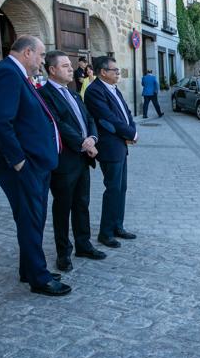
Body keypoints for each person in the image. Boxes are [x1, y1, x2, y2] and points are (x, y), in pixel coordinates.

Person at [0, 36, 70, 295]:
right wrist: (19, 161)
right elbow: (0, 121)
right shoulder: (7, 74)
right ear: (28, 52)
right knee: (31, 218)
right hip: (21, 164)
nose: (43, 61)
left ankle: (29, 268)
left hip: (33, 161)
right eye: (42, 56)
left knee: (31, 217)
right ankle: (39, 278)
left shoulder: (16, 73)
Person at [39, 51, 107, 273]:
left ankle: (83, 245)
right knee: (63, 207)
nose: (72, 69)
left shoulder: (75, 94)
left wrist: (93, 137)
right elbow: (58, 124)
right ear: (52, 70)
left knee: (82, 203)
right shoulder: (45, 94)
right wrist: (84, 143)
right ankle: (63, 253)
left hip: (82, 159)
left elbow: (89, 119)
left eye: (70, 65)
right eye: (66, 66)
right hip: (64, 161)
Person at [84, 56, 138, 249]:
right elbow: (108, 119)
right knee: (113, 188)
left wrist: (132, 130)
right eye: (114, 70)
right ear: (103, 72)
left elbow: (125, 113)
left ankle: (117, 226)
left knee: (121, 188)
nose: (118, 72)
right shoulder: (94, 91)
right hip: (109, 147)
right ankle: (105, 233)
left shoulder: (113, 88)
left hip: (120, 144)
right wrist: (131, 133)